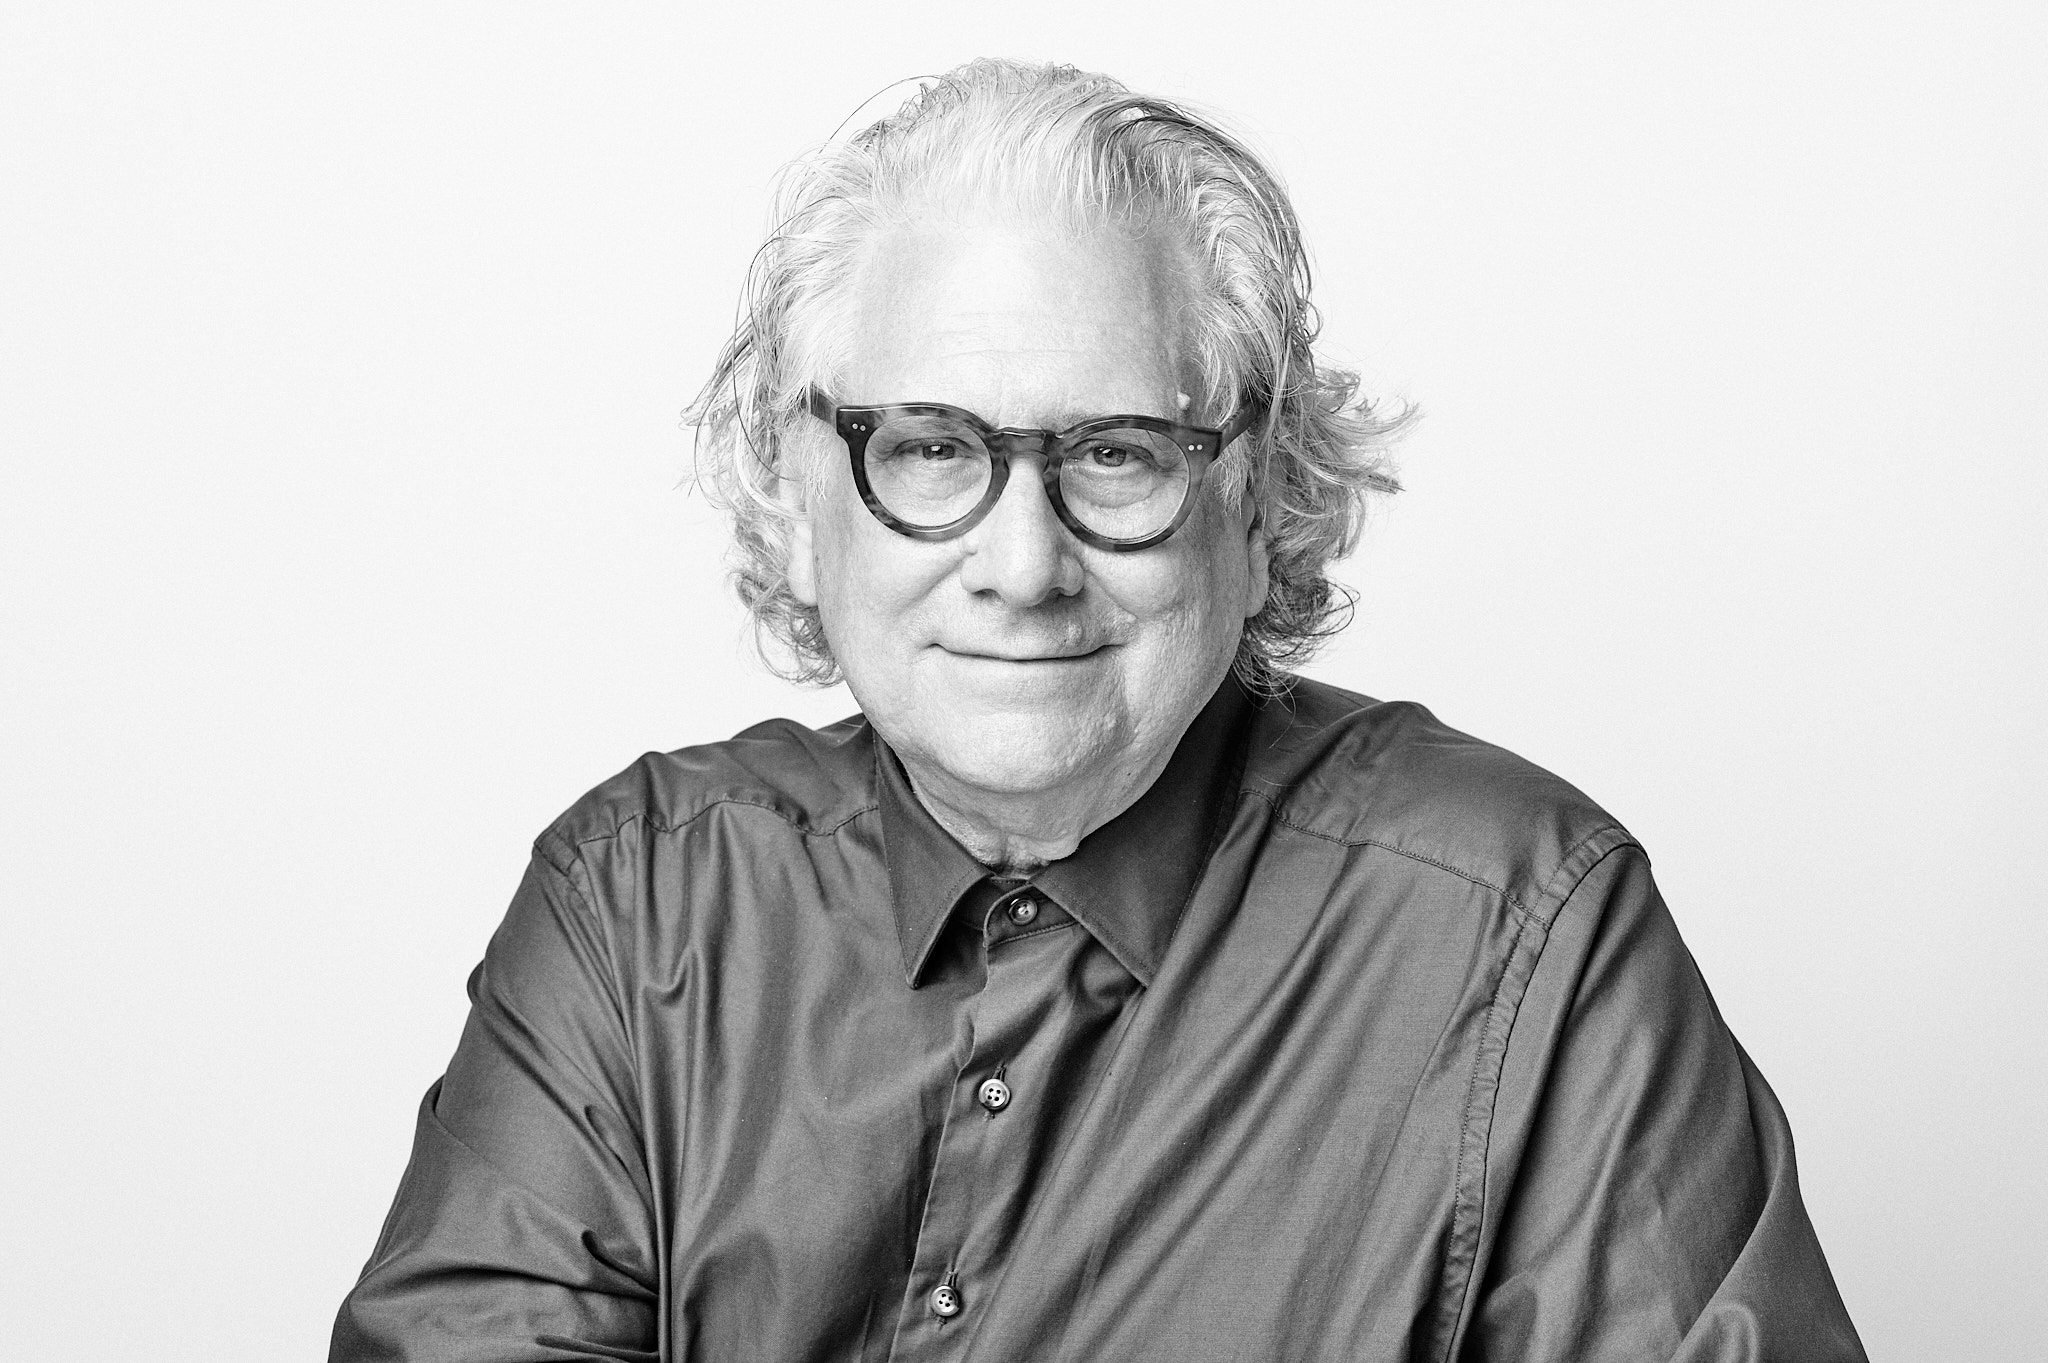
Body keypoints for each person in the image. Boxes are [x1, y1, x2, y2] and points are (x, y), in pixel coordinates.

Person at [330, 58, 1866, 1362]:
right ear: (802, 495)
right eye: (930, 449)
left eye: (1117, 453)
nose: (1023, 564)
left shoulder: (1524, 932)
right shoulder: (635, 906)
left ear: (1257, 496)